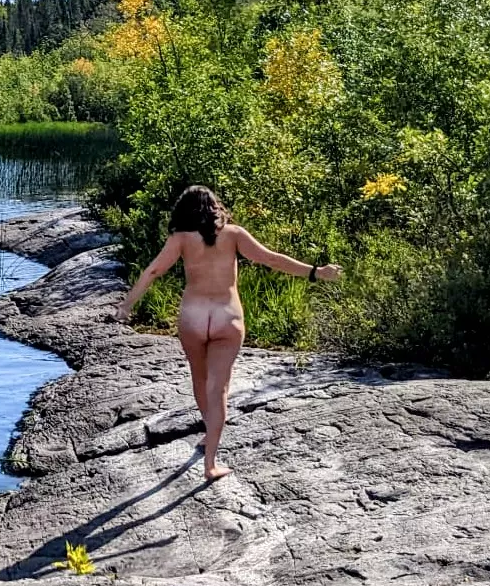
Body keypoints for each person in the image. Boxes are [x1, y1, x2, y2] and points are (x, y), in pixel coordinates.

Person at [113, 186, 341, 482]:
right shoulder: (234, 234)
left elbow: (154, 271)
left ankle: (209, 435)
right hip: (227, 317)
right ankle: (211, 463)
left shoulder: (180, 238)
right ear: (215, 208)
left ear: (183, 211)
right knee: (218, 389)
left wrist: (126, 306)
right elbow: (271, 259)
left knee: (200, 380)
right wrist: (317, 272)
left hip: (193, 317)